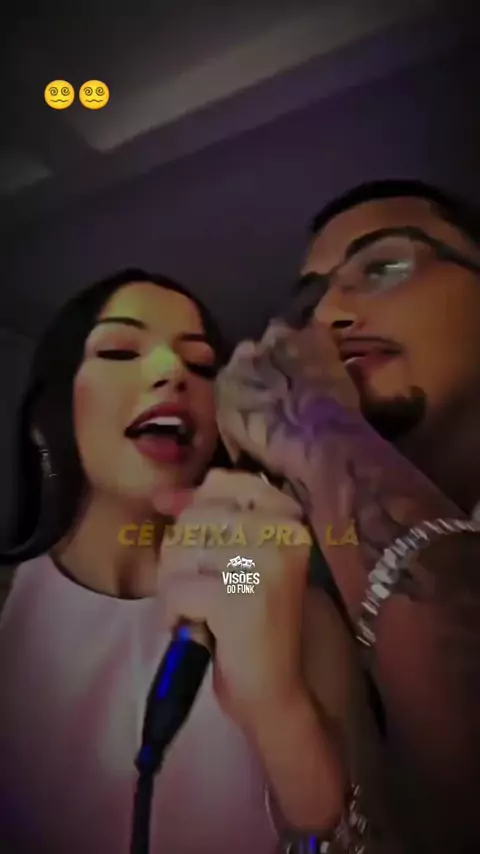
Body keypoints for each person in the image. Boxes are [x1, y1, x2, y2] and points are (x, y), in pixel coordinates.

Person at [0, 268, 389, 854]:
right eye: (119, 351)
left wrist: (275, 702)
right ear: (43, 421)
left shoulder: (264, 592)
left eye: (201, 365)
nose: (172, 372)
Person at [216, 179, 480, 854]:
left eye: (384, 267)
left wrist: (317, 431)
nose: (329, 314)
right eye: (312, 300)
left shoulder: (321, 458)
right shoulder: (311, 554)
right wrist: (276, 705)